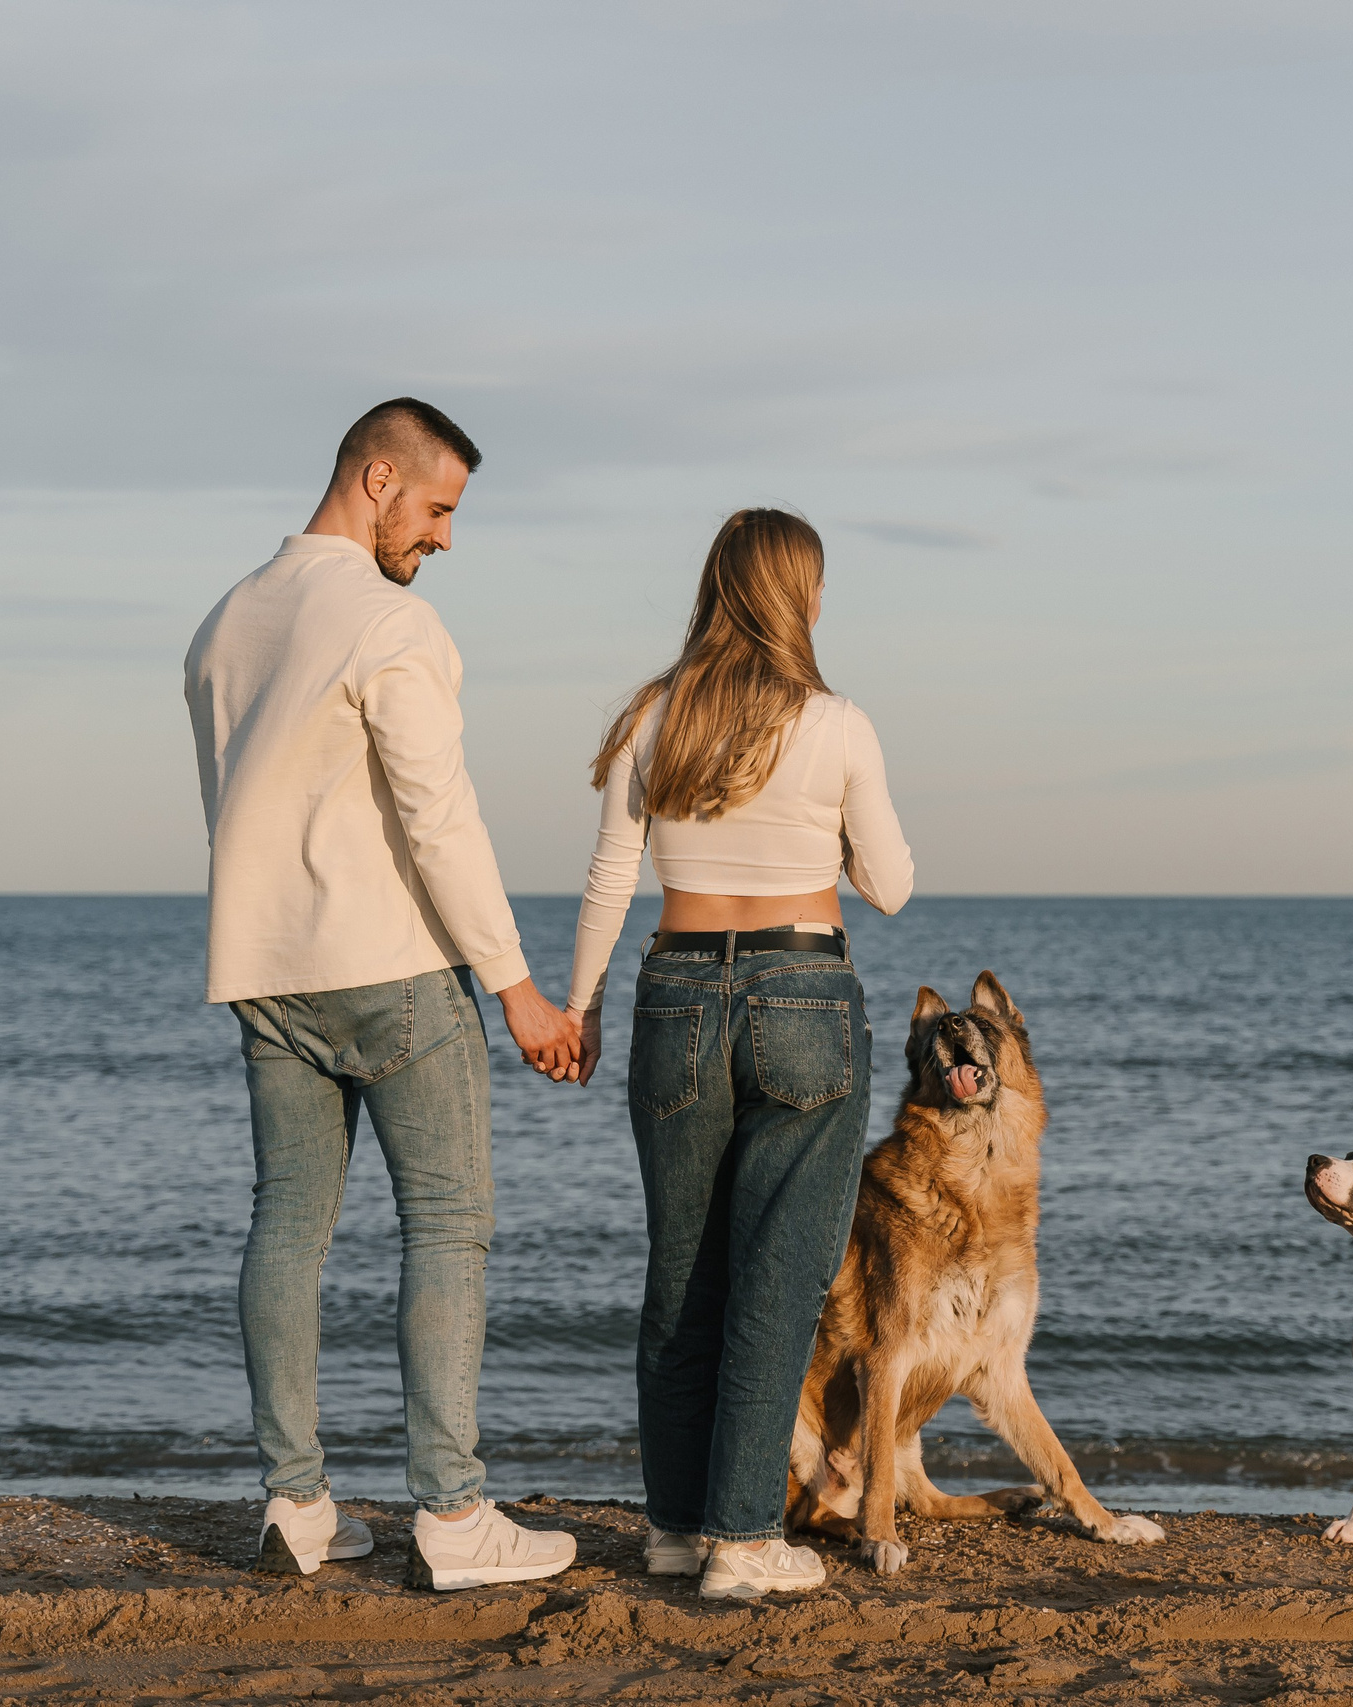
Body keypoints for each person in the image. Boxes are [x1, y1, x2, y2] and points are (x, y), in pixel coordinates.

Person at [183, 397, 583, 1591]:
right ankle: (453, 1519)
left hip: (266, 969)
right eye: (438, 508)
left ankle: (297, 1506)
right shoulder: (389, 622)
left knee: (285, 1227)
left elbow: (229, 805)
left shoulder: (223, 624)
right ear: (377, 478)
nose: (445, 537)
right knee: (447, 1226)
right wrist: (517, 989)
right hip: (392, 965)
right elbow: (437, 816)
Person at [563, 508, 914, 1600]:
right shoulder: (837, 722)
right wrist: (828, 831)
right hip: (801, 987)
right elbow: (891, 886)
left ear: (716, 588)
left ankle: (676, 1527)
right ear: (801, 597)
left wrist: (579, 1008)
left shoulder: (651, 716)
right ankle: (743, 1539)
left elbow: (610, 875)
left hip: (675, 989)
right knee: (779, 1273)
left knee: (682, 1271)